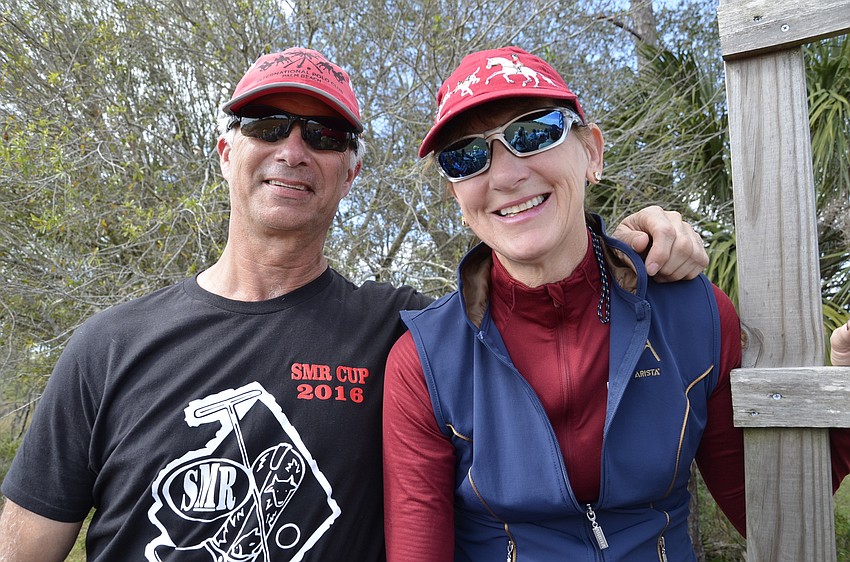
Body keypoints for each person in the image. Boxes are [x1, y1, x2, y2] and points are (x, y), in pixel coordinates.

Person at [0, 47, 709, 562]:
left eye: (324, 134)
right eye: (266, 124)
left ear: (351, 172)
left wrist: (635, 243)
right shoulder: (108, 347)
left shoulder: (402, 335)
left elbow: (539, 301)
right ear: (225, 151)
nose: (293, 149)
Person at [381, 46, 850, 562]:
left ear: (592, 154)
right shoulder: (425, 364)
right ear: (457, 196)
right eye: (466, 157)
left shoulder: (692, 315)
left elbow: (767, 510)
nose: (505, 175)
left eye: (533, 133)